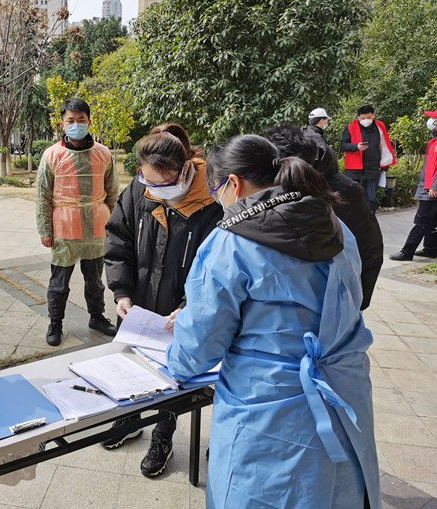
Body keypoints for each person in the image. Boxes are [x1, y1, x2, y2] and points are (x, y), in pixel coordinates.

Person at [167, 134, 380, 508]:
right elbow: (352, 296)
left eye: (216, 191)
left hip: (268, 408)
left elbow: (201, 344)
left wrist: (174, 363)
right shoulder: (332, 223)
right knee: (335, 493)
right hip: (345, 391)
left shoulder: (230, 242)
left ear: (233, 184)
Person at [102, 123, 223, 477]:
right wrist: (121, 291)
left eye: (162, 183)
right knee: (131, 367)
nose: (153, 189)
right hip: (139, 305)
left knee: (172, 378)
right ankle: (129, 420)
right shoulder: (140, 189)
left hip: (179, 312)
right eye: (147, 180)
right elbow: (118, 240)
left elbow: (214, 269)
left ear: (184, 170)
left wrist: (188, 308)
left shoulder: (212, 203)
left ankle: (162, 434)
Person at [266, 124, 383, 310]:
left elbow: (369, 250)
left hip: (325, 302)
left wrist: (355, 305)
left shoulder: (344, 192)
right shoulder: (282, 187)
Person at [35, 98, 120, 346]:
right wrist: (45, 230)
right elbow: (42, 195)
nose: (76, 124)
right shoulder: (52, 154)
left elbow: (112, 191)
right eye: (70, 120)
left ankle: (97, 317)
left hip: (97, 227)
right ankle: (55, 323)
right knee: (59, 283)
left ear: (89, 121)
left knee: (95, 281)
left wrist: (114, 226)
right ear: (62, 124)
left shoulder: (103, 153)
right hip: (64, 228)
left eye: (81, 120)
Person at [389, 109, 437, 261]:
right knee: (433, 221)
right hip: (429, 186)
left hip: (431, 189)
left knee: (421, 221)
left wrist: (435, 186)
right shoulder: (433, 141)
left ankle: (407, 252)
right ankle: (431, 249)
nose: (431, 122)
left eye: (434, 119)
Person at [340, 104, 396, 213]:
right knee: (353, 197)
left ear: (373, 115)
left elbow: (385, 147)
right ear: (358, 117)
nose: (366, 120)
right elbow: (343, 145)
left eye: (369, 117)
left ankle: (370, 220)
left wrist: (384, 167)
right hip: (353, 169)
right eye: (363, 118)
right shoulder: (350, 127)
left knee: (371, 198)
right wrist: (356, 146)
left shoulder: (379, 127)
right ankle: (355, 220)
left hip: (372, 168)